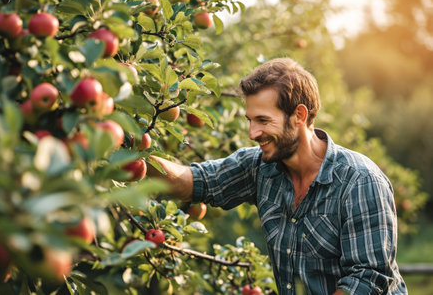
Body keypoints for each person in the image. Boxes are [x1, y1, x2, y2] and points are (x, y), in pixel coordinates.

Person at [148, 57, 407, 294]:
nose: (252, 133)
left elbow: (367, 279)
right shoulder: (259, 167)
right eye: (250, 120)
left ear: (299, 116)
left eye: (263, 120)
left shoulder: (359, 180)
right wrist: (129, 155)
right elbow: (195, 182)